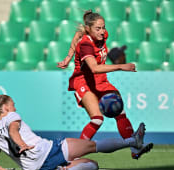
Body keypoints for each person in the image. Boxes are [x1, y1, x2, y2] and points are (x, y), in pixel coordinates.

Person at [0, 81, 153, 170]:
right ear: (5, 108)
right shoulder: (11, 116)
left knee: (92, 166)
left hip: (38, 167)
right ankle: (133, 141)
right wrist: (22, 144)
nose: (15, 108)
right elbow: (13, 130)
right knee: (93, 147)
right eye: (12, 105)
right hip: (50, 150)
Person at [57, 10, 148, 159]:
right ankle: (75, 155)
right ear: (89, 29)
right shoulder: (86, 44)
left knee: (120, 111)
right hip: (84, 81)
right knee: (97, 119)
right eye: (98, 28)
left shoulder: (101, 36)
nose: (102, 31)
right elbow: (94, 68)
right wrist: (121, 66)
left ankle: (135, 147)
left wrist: (68, 58)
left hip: (100, 81)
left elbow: (77, 35)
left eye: (103, 27)